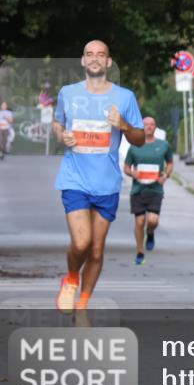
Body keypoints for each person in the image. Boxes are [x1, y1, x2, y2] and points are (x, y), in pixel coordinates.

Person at [53, 40, 145, 315]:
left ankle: (82, 305)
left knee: (95, 250)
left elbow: (139, 138)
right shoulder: (67, 93)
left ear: (108, 62)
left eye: (100, 55)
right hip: (75, 180)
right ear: (83, 61)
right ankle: (71, 278)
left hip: (106, 183)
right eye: (89, 54)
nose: (94, 59)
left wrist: (125, 125)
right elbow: (58, 122)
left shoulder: (124, 97)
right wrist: (62, 135)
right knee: (81, 242)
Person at [123, 116, 174, 265]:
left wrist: (166, 175)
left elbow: (170, 163)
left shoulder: (163, 145)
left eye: (152, 124)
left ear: (155, 127)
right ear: (141, 127)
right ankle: (140, 251)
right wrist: (132, 173)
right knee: (140, 222)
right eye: (146, 124)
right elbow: (126, 167)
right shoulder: (134, 147)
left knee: (152, 220)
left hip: (155, 189)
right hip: (138, 189)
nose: (149, 127)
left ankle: (150, 232)